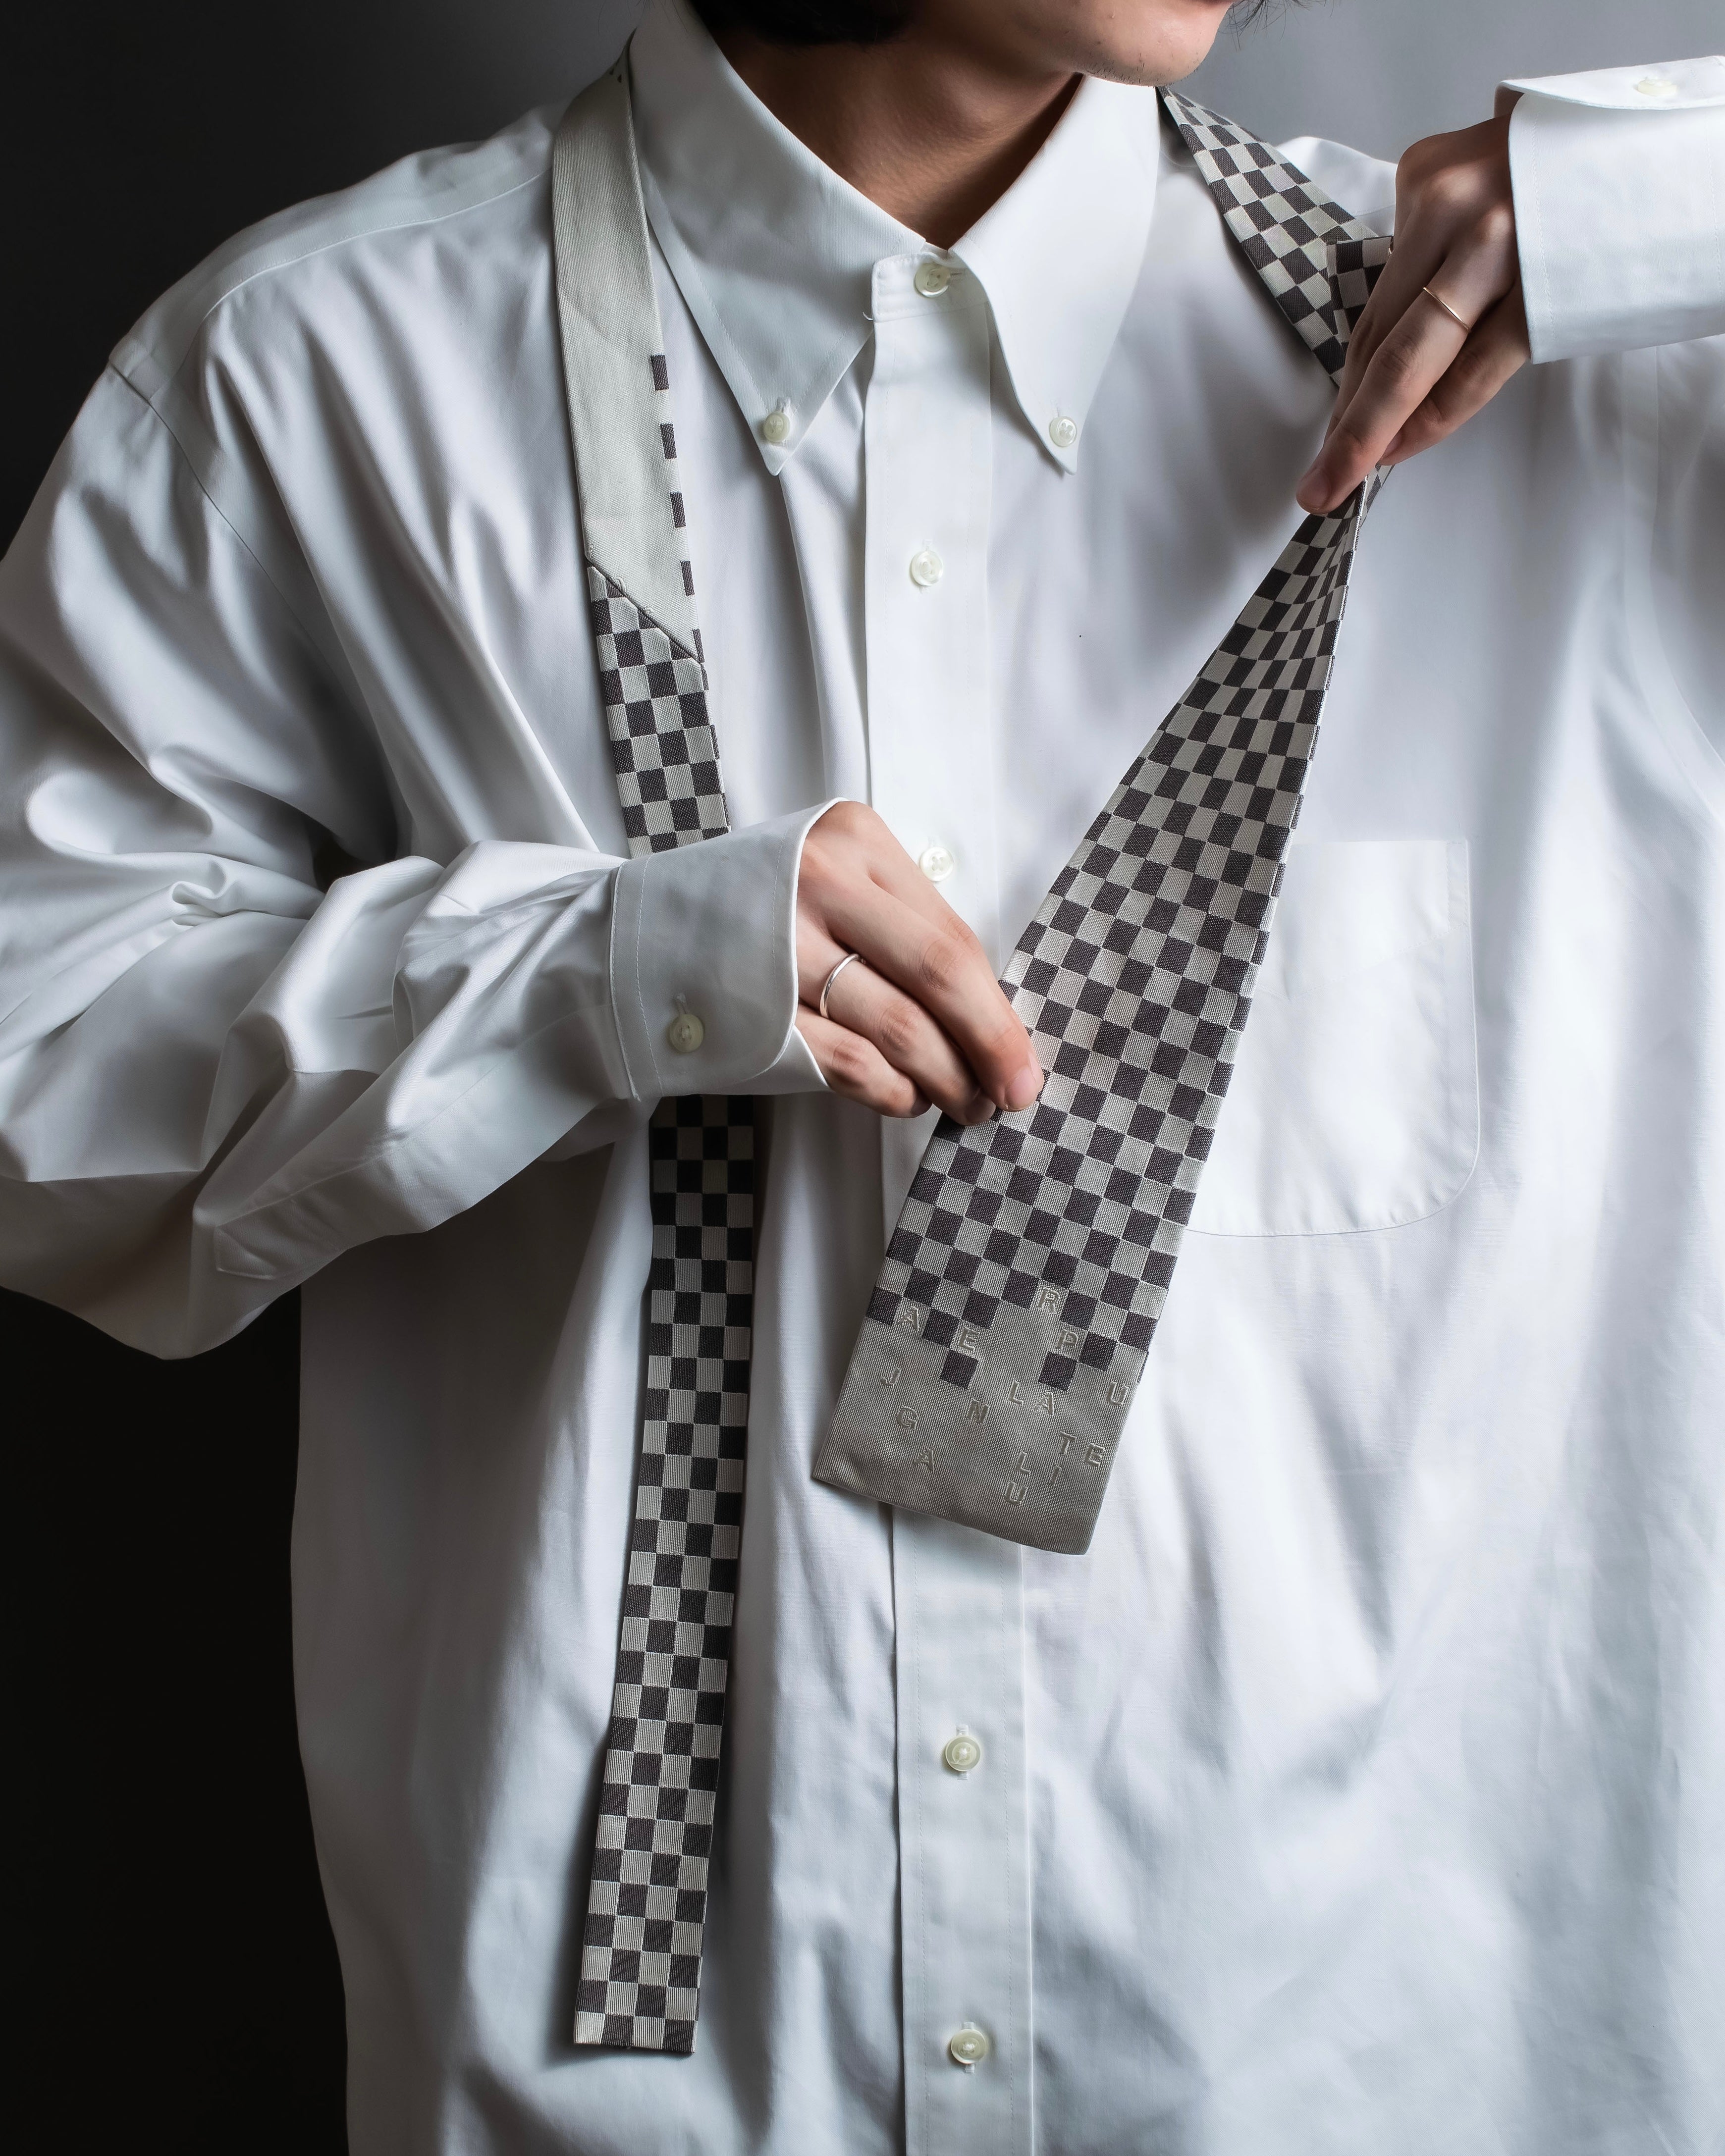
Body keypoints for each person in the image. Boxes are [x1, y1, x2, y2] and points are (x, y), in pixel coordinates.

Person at [1, 0, 1720, 2146]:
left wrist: (1654, 196)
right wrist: (579, 971)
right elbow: (33, 1093)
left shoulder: (1614, 390)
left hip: (1374, 2064)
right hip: (622, 2084)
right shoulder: (312, 385)